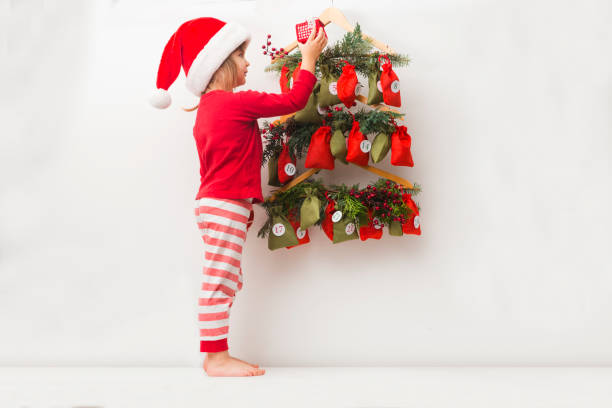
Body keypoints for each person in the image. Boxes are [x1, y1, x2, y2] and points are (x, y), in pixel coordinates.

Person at [150, 17, 327, 377]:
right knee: (219, 279)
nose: (249, 63)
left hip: (213, 204)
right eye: (242, 55)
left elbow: (219, 162)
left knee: (226, 276)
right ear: (221, 63)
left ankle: (217, 350)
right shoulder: (235, 103)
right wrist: (309, 58)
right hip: (225, 204)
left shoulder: (207, 111)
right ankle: (215, 358)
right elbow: (294, 99)